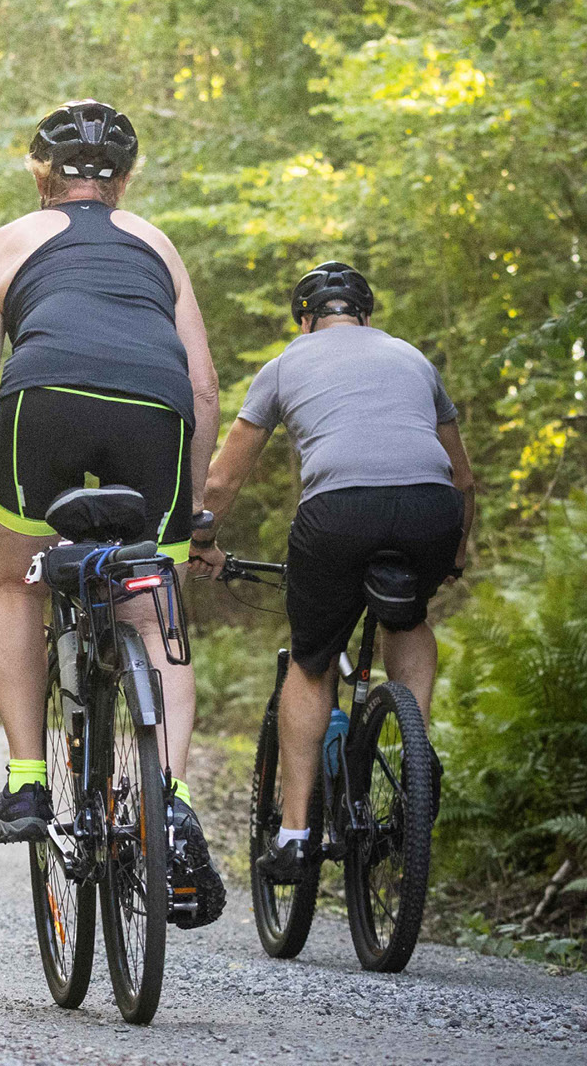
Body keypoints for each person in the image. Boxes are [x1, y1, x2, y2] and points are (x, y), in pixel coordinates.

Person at [0, 99, 228, 927]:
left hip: (44, 398)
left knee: (14, 586)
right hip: (153, 409)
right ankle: (166, 797)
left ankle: (27, 782)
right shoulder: (156, 243)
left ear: (38, 172)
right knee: (151, 597)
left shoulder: (8, 242)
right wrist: (191, 506)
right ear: (124, 179)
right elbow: (203, 387)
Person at [186, 261, 477, 883]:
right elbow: (464, 476)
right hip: (432, 507)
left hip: (338, 512)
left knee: (312, 662)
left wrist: (202, 539)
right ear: (367, 316)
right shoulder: (413, 358)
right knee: (410, 617)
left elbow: (222, 477)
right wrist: (452, 554)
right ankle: (416, 757)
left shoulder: (288, 363)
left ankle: (293, 836)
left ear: (305, 320)